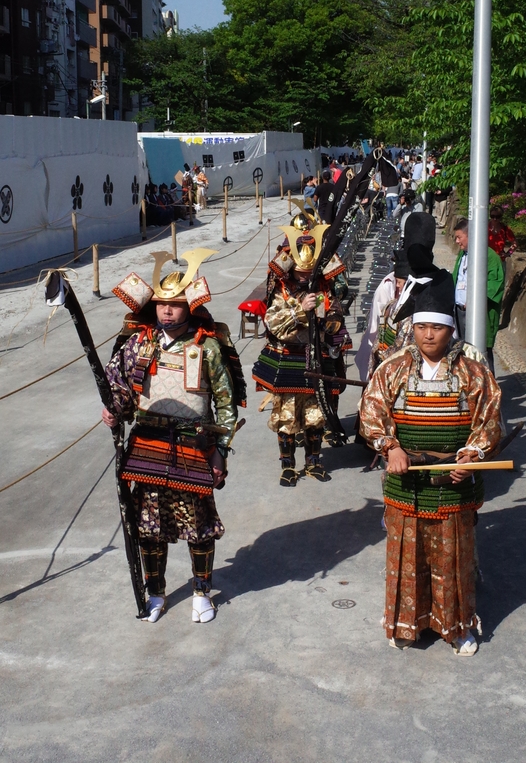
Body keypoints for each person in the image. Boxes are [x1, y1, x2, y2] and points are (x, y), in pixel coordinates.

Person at [359, 271, 502, 655]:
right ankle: (407, 623)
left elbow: (489, 419)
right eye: (420, 326)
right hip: (405, 481)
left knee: (452, 558)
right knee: (407, 556)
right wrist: (390, 447)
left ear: (450, 330)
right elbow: (371, 411)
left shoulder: (472, 371)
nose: (427, 335)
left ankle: (456, 627)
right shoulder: (393, 368)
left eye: (435, 328)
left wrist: (471, 457)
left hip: (455, 482)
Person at [102, 249, 243, 624]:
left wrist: (221, 452)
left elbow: (227, 404)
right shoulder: (138, 343)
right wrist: (113, 409)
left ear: (190, 306)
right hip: (147, 444)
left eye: (176, 304)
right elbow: (118, 390)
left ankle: (201, 592)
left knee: (198, 525)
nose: (167, 311)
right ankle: (157, 593)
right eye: (162, 303)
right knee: (148, 527)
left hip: (194, 444)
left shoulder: (207, 347)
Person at [252, 224, 350, 486]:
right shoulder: (280, 289)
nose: (306, 277)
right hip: (288, 356)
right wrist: (298, 310)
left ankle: (314, 461)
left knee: (316, 415)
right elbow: (272, 321)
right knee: (286, 417)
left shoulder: (323, 287)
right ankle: (287, 465)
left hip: (316, 357)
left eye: (310, 273)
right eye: (301, 273)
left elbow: (336, 307)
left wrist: (333, 317)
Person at [452, 218, 505, 373]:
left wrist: (475, 300)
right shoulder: (462, 254)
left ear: (470, 236)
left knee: (482, 352)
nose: (456, 241)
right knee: (463, 349)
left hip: (479, 313)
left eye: (459, 237)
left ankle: (489, 391)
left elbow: (495, 283)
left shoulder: (490, 256)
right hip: (459, 310)